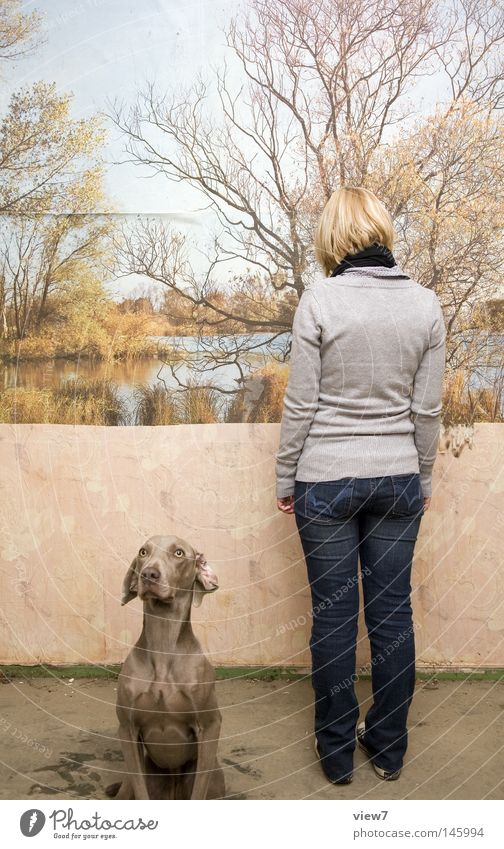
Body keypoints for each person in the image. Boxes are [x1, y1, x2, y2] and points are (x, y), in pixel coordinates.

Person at [275, 186, 446, 785]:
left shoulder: (319, 300)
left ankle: (336, 754)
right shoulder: (426, 305)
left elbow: (301, 403)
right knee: (393, 616)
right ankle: (390, 749)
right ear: (380, 229)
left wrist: (285, 473)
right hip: (398, 479)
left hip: (325, 479)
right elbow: (428, 411)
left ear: (333, 237)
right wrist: (421, 476)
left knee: (333, 620)